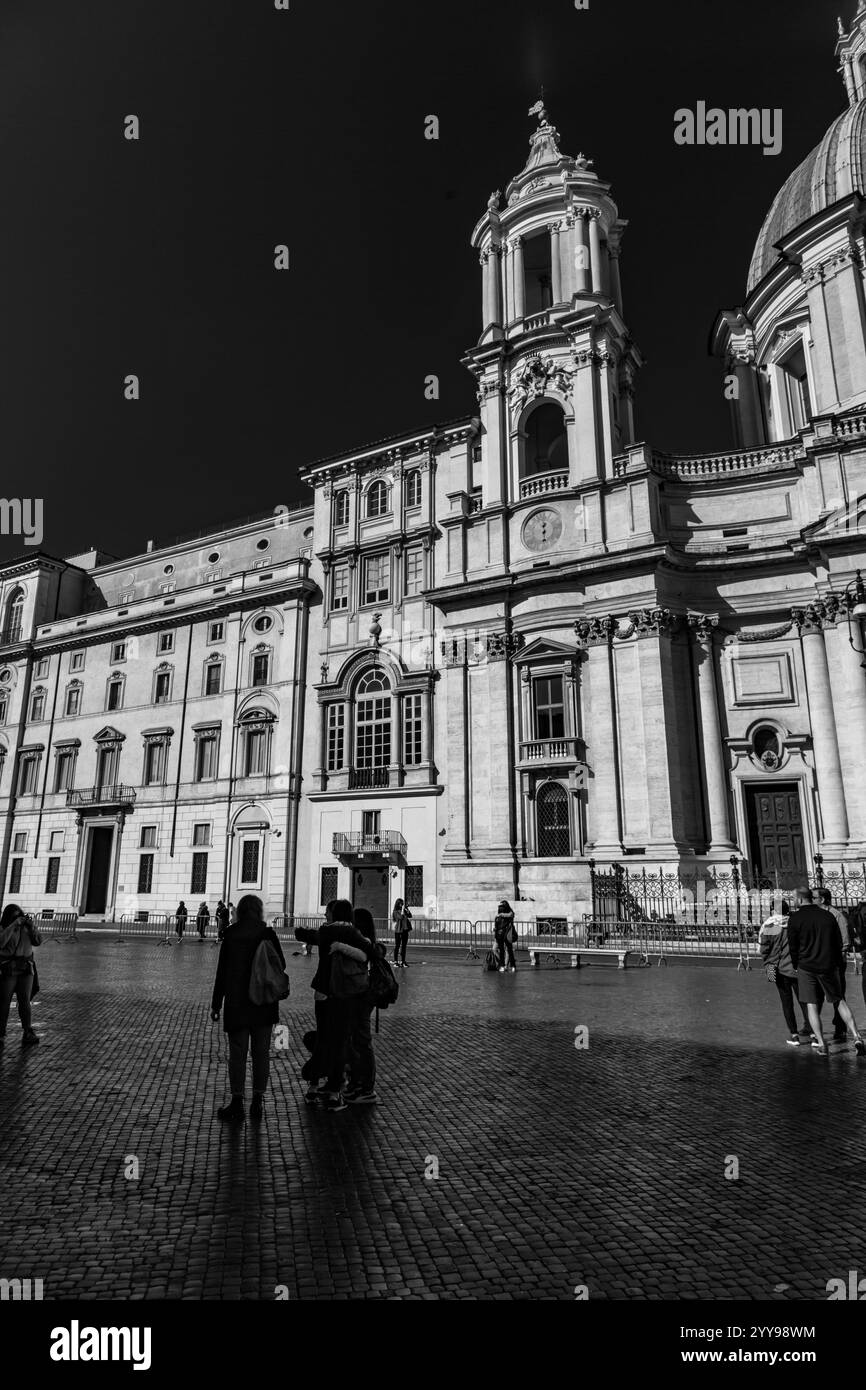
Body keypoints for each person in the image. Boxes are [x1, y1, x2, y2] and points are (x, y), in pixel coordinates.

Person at [210, 894, 286, 1122]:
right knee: (261, 1053)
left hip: (237, 1002)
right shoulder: (268, 933)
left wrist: (216, 1003)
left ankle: (236, 1101)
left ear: (240, 911)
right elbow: (280, 964)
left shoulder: (231, 935)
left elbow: (221, 973)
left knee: (238, 1054)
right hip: (263, 1002)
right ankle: (258, 1100)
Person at [295, 899, 376, 1111]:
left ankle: (313, 1085)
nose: (324, 914)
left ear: (334, 913)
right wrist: (347, 948)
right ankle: (333, 1092)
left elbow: (306, 935)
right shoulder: (351, 933)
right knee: (339, 1042)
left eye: (327, 911)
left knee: (323, 1039)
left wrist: (299, 930)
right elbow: (371, 949)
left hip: (322, 993)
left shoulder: (325, 931)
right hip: (343, 994)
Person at [787, 887, 866, 1057]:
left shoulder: (795, 919)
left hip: (806, 966)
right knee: (839, 1000)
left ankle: (822, 1044)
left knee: (812, 1005)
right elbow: (838, 941)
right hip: (828, 964)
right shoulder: (828, 916)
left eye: (793, 898)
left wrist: (795, 964)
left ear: (800, 900)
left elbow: (793, 947)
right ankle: (857, 1036)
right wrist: (836, 962)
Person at [759, 899, 813, 1045]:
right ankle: (813, 1032)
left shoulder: (770, 925)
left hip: (777, 968)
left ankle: (794, 1034)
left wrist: (769, 969)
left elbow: (764, 950)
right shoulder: (795, 923)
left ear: (773, 910)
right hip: (797, 968)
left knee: (786, 1002)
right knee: (805, 1000)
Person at [344, 906, 379, 1105]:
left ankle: (366, 1087)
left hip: (362, 996)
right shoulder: (367, 943)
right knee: (356, 1040)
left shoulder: (364, 945)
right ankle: (356, 1082)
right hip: (359, 996)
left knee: (362, 1042)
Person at [0, 903, 41, 1047]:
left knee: (24, 1000)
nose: (19, 918)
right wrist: (13, 926)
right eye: (15, 916)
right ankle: (1, 1031)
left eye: (20, 915)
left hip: (26, 968)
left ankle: (27, 1031)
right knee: (5, 1000)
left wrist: (32, 927)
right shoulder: (4, 928)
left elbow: (38, 941)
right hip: (9, 968)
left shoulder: (26, 928)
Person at [817, 888, 855, 1041]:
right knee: (818, 995)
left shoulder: (836, 915)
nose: (811, 900)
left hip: (835, 961)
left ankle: (840, 1026)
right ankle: (812, 1026)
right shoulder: (818, 915)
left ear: (823, 899)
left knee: (837, 995)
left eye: (814, 897)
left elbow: (845, 941)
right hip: (821, 960)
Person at [494, 900, 517, 972]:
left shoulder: (509, 914)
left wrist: (501, 915)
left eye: (502, 906)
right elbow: (496, 925)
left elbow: (510, 915)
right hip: (500, 934)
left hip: (507, 933)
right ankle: (502, 964)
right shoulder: (498, 916)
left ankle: (509, 965)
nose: (500, 908)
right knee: (499, 950)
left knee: (509, 950)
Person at [392, 898, 412, 968]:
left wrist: (407, 910)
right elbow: (400, 917)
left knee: (404, 946)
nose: (402, 905)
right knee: (397, 946)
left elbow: (410, 916)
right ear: (398, 904)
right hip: (398, 931)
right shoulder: (395, 911)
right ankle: (395, 961)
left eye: (402, 903)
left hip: (405, 930)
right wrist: (403, 911)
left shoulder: (404, 910)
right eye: (401, 904)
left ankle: (403, 961)